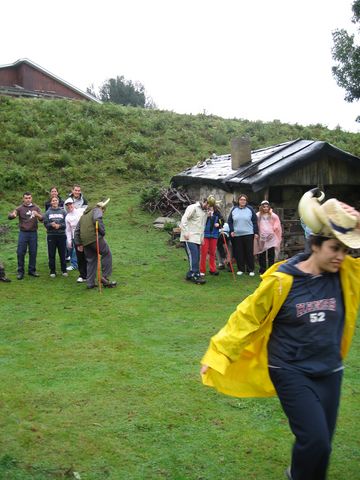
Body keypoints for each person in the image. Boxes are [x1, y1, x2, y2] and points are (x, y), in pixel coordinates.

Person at [201, 190, 360, 480]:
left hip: (330, 370)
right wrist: (220, 351)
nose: (341, 256)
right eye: (334, 248)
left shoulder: (348, 273)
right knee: (316, 440)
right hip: (290, 369)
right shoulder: (282, 281)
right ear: (315, 245)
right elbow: (247, 315)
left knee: (321, 447)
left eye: (345, 250)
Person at [74, 198, 117, 289]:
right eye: (103, 209)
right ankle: (105, 277)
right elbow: (97, 218)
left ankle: (90, 283)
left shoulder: (83, 216)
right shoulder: (97, 210)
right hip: (94, 238)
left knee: (91, 260)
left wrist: (78, 243)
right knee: (106, 253)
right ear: (101, 207)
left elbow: (77, 231)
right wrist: (103, 232)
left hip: (85, 241)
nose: (103, 211)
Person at [8, 192, 43, 280]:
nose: (28, 199)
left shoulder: (36, 207)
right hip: (23, 233)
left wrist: (37, 215)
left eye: (29, 198)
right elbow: (10, 216)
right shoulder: (19, 208)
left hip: (33, 233)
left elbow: (42, 219)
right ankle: (20, 272)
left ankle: (32, 270)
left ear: (31, 198)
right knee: (20, 252)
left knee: (33, 252)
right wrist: (13, 215)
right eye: (26, 198)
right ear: (23, 199)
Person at [180, 197, 209, 284]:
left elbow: (202, 226)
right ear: (204, 201)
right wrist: (185, 232)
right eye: (207, 204)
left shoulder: (204, 212)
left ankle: (190, 274)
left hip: (197, 238)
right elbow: (184, 219)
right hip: (189, 237)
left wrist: (202, 238)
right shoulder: (193, 207)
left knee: (196, 257)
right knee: (194, 256)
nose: (208, 207)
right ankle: (195, 275)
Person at [227, 194, 258, 276]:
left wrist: (256, 232)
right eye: (241, 200)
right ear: (238, 201)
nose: (242, 201)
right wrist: (232, 230)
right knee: (239, 252)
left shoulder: (250, 209)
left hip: (248, 233)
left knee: (249, 252)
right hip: (237, 234)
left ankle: (250, 269)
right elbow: (230, 221)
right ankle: (241, 269)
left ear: (246, 201)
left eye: (244, 200)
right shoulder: (234, 209)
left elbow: (255, 221)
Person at [254, 200, 282, 274]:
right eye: (264, 207)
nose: (265, 208)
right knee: (262, 253)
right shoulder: (258, 215)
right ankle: (262, 269)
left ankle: (271, 269)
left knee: (271, 254)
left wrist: (274, 228)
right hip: (262, 236)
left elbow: (277, 222)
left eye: (267, 207)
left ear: (269, 207)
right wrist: (257, 232)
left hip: (271, 237)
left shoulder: (273, 215)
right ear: (261, 207)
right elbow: (255, 223)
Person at [43, 196, 68, 277]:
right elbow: (45, 224)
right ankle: (52, 271)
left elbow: (66, 223)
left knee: (62, 253)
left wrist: (59, 226)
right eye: (53, 200)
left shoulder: (63, 212)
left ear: (58, 201)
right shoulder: (47, 212)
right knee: (51, 254)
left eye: (56, 200)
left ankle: (64, 270)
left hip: (61, 235)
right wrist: (51, 224)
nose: (54, 202)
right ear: (51, 202)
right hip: (51, 235)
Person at [200, 196, 224, 276]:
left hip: (214, 235)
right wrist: (207, 216)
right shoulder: (203, 212)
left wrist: (219, 224)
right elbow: (201, 222)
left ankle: (212, 269)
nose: (210, 207)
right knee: (204, 253)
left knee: (212, 253)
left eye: (211, 205)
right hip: (205, 235)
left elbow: (222, 221)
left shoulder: (217, 212)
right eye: (209, 205)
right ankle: (202, 270)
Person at [64, 198, 87, 282]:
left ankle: (90, 274)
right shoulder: (67, 217)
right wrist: (69, 241)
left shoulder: (81, 211)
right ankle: (82, 275)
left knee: (88, 255)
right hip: (76, 238)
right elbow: (68, 230)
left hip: (85, 236)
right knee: (80, 257)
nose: (69, 206)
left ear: (73, 204)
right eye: (67, 205)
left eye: (70, 204)